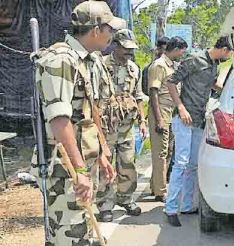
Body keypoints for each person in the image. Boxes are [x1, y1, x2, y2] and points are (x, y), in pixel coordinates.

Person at [31, 1, 124, 244]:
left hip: (84, 162)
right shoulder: (61, 60)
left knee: (83, 231)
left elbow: (91, 112)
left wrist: (103, 153)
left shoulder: (89, 60)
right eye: (110, 29)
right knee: (69, 235)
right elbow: (59, 119)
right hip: (65, 169)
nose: (112, 36)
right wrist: (80, 170)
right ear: (95, 29)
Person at [164, 36, 233, 227]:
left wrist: (229, 91)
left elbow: (211, 84)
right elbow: (171, 82)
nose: (230, 56)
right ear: (225, 49)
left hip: (198, 119)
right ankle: (170, 208)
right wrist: (181, 107)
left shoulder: (214, 64)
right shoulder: (194, 59)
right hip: (184, 118)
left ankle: (186, 205)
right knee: (181, 163)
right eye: (231, 52)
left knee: (193, 164)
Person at [96, 29, 146, 222]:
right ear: (115, 46)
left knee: (127, 164)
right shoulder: (101, 65)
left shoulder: (134, 68)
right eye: (126, 49)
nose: (129, 53)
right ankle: (105, 205)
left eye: (131, 50)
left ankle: (125, 198)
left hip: (126, 126)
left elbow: (138, 96)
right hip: (107, 126)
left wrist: (142, 121)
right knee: (106, 167)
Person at [147, 36, 188, 202]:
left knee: (168, 151)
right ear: (176, 49)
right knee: (160, 153)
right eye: (181, 51)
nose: (182, 54)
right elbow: (153, 92)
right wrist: (159, 119)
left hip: (170, 112)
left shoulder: (172, 65)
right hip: (161, 111)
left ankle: (156, 185)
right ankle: (160, 191)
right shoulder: (159, 65)